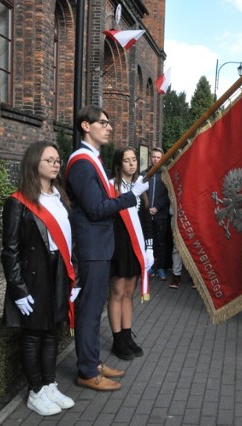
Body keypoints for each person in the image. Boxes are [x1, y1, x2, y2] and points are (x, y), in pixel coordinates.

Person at [66, 105, 148, 391]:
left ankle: (92, 361)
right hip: (92, 247)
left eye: (109, 121)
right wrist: (129, 198)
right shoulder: (82, 162)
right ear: (86, 126)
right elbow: (96, 208)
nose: (109, 127)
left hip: (99, 246)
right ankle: (87, 371)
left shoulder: (93, 160)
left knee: (93, 308)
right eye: (103, 122)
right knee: (89, 310)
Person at [1, 141, 77, 415]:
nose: (56, 164)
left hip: (58, 272)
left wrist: (73, 278)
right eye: (49, 160)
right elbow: (10, 251)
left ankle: (49, 384)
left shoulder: (60, 198)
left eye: (58, 160)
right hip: (34, 275)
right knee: (33, 335)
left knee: (51, 332)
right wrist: (18, 290)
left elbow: (70, 242)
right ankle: (35, 391)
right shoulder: (18, 202)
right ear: (35, 163)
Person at [108, 147, 153, 360]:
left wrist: (150, 247)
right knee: (117, 293)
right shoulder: (110, 186)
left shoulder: (140, 187)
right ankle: (117, 339)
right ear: (119, 164)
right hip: (119, 247)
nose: (132, 164)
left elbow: (146, 219)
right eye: (127, 160)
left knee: (129, 293)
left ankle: (127, 334)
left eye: (134, 160)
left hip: (136, 246)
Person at [143, 147, 171, 281]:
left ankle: (160, 268)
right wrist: (147, 207)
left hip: (160, 215)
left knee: (160, 242)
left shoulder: (166, 175)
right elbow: (140, 193)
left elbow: (168, 196)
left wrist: (157, 207)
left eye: (158, 157)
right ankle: (149, 267)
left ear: (162, 159)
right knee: (148, 241)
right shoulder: (144, 174)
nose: (155, 159)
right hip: (147, 215)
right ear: (150, 158)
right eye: (153, 157)